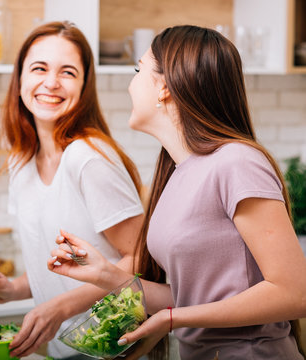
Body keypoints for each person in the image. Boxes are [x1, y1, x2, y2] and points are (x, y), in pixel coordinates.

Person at [48, 25, 306, 360]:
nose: (131, 83)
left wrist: (172, 320)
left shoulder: (237, 163)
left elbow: (294, 293)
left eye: (139, 70)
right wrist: (105, 275)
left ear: (165, 86)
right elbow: (190, 298)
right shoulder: (176, 172)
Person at [0, 21, 145, 359]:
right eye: (39, 68)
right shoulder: (22, 160)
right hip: (66, 350)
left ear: (83, 85)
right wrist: (11, 289)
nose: (51, 82)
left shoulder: (87, 157)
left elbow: (143, 262)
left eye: (67, 72)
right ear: (20, 78)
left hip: (117, 349)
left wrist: (61, 308)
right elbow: (52, 270)